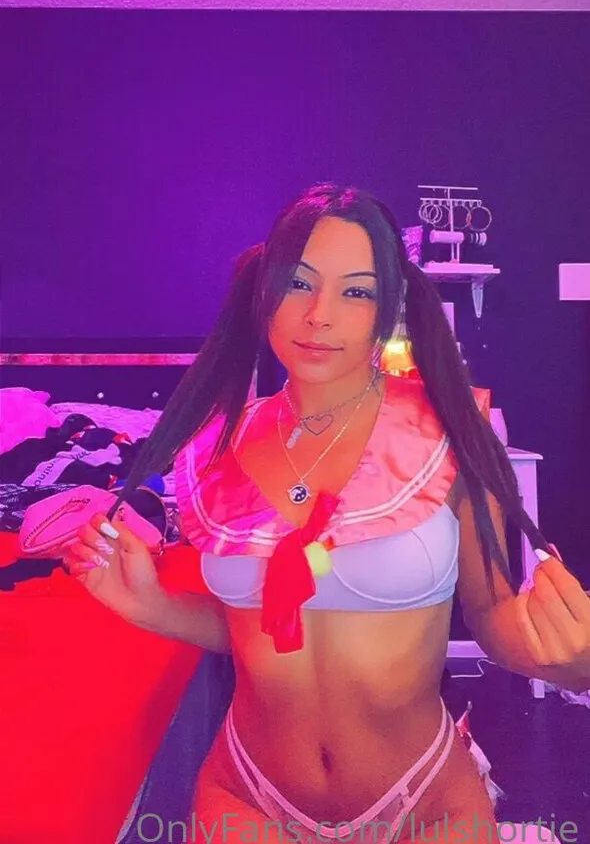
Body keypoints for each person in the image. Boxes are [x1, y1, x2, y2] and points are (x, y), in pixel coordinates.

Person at [63, 184, 590, 843]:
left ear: (388, 306)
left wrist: (567, 661)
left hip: (423, 801)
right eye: (299, 284)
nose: (319, 315)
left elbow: (491, 614)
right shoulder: (215, 448)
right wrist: (149, 605)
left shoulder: (448, 431)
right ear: (265, 291)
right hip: (247, 794)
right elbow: (254, 630)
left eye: (356, 292)